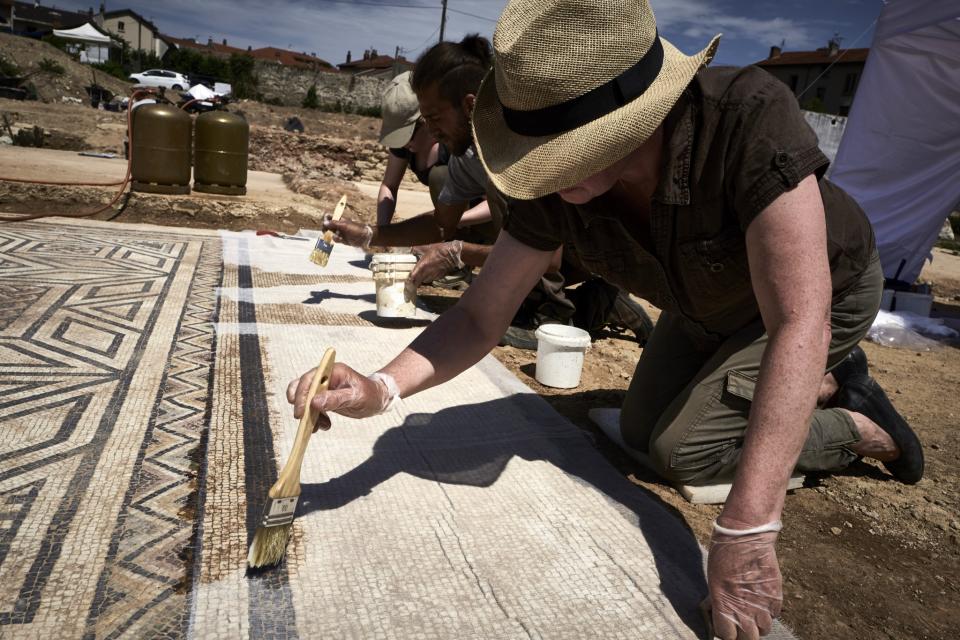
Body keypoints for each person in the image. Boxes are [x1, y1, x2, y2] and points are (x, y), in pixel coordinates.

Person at [290, 1, 924, 637]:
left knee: (685, 455)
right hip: (701, 304)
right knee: (643, 432)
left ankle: (855, 418)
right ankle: (779, 380)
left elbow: (798, 318)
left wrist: (749, 528)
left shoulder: (744, 119)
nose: (550, 176)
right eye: (538, 155)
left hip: (820, 298)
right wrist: (381, 388)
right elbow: (482, 315)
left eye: (569, 153)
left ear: (636, 116)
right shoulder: (544, 178)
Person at [328, 36, 653, 345]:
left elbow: (549, 258)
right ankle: (591, 302)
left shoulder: (522, 147)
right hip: (554, 248)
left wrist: (457, 251)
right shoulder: (466, 155)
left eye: (434, 117)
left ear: (470, 105)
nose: (430, 130)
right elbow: (441, 223)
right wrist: (371, 234)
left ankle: (553, 315)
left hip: (599, 245)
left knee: (501, 199)